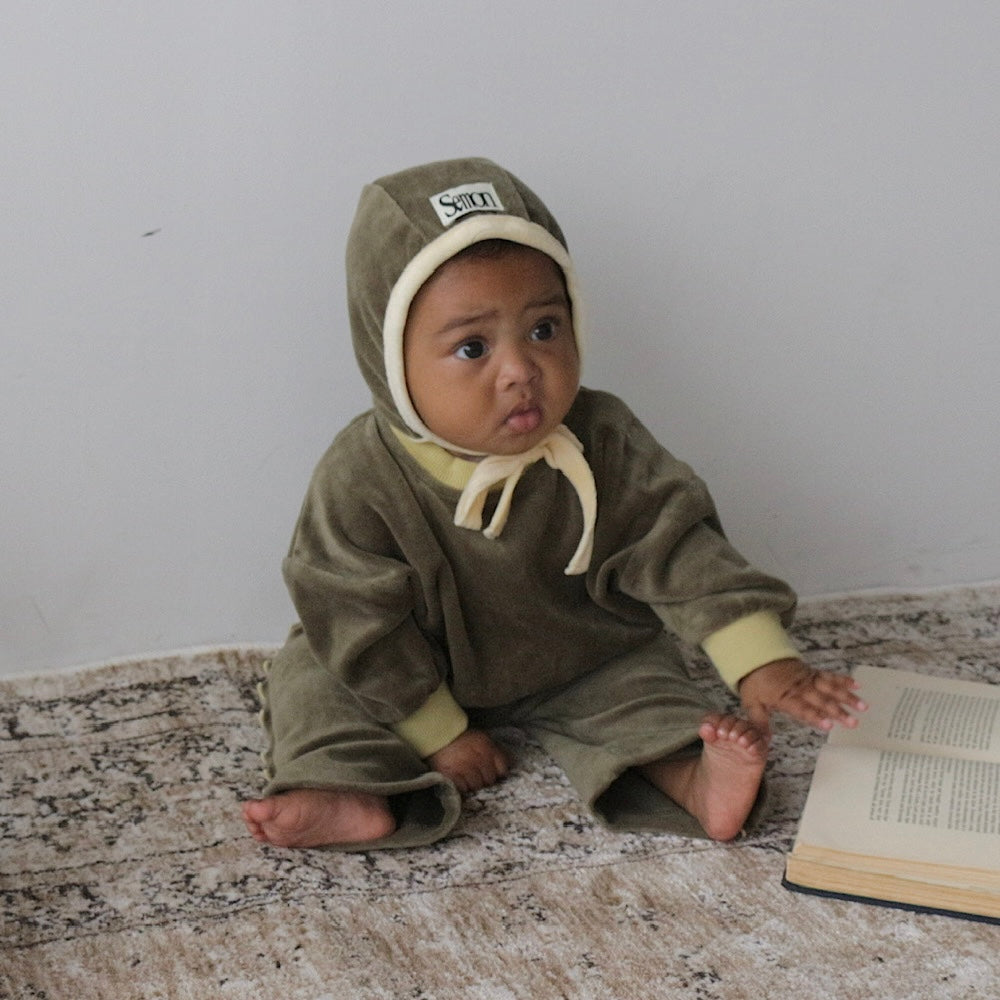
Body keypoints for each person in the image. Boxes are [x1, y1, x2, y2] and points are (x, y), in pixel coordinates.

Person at [242, 157, 865, 851]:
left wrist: (760, 659)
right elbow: (353, 612)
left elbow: (680, 547)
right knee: (317, 671)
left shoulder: (602, 436)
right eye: (472, 347)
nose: (520, 370)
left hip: (577, 653)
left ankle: (692, 780)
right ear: (389, 363)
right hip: (417, 667)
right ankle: (345, 787)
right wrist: (440, 733)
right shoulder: (361, 476)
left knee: (643, 684)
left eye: (543, 329)